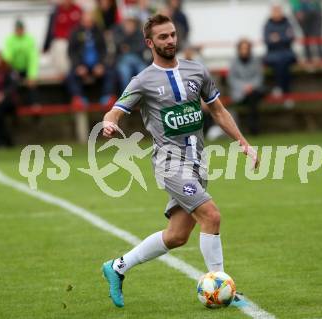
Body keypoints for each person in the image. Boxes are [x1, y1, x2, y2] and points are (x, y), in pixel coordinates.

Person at [101, 13, 258, 309]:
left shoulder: (196, 71)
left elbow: (219, 111)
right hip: (170, 164)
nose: (170, 40)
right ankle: (223, 286)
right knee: (211, 216)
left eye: (172, 34)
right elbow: (116, 110)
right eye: (163, 37)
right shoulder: (143, 80)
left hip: (197, 161)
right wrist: (109, 124)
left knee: (177, 236)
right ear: (150, 42)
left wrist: (242, 141)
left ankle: (118, 267)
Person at [67, 11, 116, 108]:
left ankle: (107, 97)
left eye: (90, 21)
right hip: (82, 64)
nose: (87, 24)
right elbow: (72, 52)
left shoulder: (99, 32)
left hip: (97, 64)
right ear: (81, 21)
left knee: (111, 73)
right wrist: (78, 66)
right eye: (85, 21)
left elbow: (104, 50)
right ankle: (78, 98)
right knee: (70, 76)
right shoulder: (75, 32)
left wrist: (101, 64)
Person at [228, 39, 266, 135]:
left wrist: (251, 86)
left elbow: (259, 76)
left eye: (246, 48)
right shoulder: (234, 62)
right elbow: (232, 79)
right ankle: (253, 128)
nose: (244, 50)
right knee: (252, 99)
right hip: (240, 93)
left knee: (253, 97)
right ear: (239, 49)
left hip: (254, 91)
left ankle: (253, 128)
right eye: (242, 48)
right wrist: (244, 87)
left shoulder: (256, 60)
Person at [2, 19, 40, 106]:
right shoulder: (9, 39)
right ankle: (15, 104)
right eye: (17, 29)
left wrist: (32, 75)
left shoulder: (30, 39)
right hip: (14, 69)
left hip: (26, 68)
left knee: (32, 84)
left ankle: (35, 105)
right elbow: (7, 56)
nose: (19, 31)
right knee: (13, 82)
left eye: (21, 29)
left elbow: (33, 58)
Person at [43, 0, 83, 77]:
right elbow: (50, 30)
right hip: (61, 40)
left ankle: (73, 73)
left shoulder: (78, 10)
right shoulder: (57, 11)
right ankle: (66, 74)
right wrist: (46, 46)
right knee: (60, 46)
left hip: (76, 40)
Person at [263, 4, 296, 96]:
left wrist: (277, 38)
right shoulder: (267, 25)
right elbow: (267, 40)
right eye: (274, 11)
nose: (276, 13)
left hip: (287, 53)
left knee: (282, 60)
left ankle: (279, 87)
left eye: (278, 11)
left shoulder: (287, 23)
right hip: (272, 54)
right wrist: (283, 37)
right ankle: (287, 92)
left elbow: (291, 38)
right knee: (281, 61)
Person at [113, 16, 147, 89]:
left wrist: (129, 48)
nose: (129, 26)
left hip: (137, 59)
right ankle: (127, 95)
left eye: (131, 24)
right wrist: (127, 34)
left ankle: (143, 94)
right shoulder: (120, 33)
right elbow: (117, 44)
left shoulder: (139, 33)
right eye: (127, 24)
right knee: (125, 72)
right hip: (123, 60)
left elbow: (142, 47)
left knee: (143, 71)